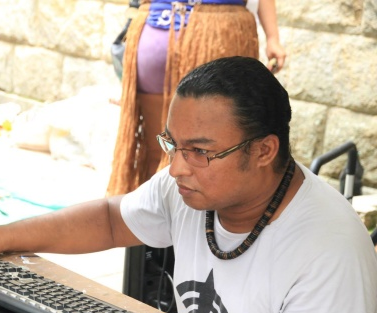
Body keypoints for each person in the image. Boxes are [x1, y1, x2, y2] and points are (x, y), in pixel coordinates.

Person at [0, 57, 377, 313]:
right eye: (173, 144)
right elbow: (110, 219)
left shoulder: (326, 251)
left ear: (264, 150)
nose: (177, 168)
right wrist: (0, 237)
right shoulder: (186, 188)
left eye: (200, 152)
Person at [107, 0, 286, 196]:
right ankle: (191, 224)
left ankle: (153, 222)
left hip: (158, 30)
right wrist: (272, 38)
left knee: (159, 154)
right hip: (217, 31)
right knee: (211, 157)